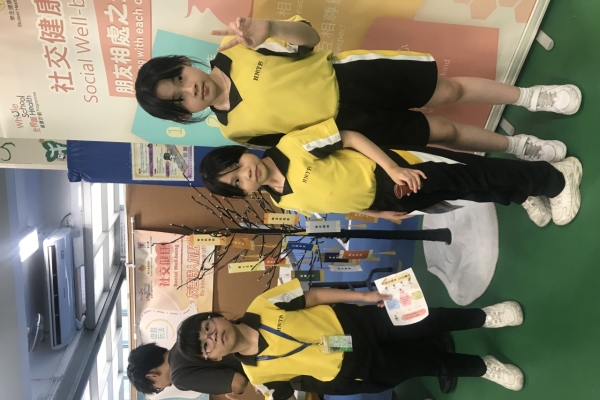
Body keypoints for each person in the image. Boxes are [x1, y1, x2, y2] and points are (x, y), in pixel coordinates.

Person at [135, 15, 581, 161]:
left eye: (180, 79)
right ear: (184, 112)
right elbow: (297, 144)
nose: (190, 90)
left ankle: (531, 97)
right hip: (350, 125)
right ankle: (518, 145)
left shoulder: (238, 48)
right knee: (441, 132)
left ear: (183, 65)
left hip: (353, 76)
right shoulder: (232, 130)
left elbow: (309, 38)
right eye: (179, 98)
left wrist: (270, 28)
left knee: (448, 92)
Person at [177, 278, 526, 400]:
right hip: (353, 367)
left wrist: (364, 297)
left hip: (357, 323)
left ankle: (485, 316)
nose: (213, 336)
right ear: (212, 358)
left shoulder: (261, 304)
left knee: (427, 319)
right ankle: (484, 367)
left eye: (207, 326)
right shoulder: (257, 375)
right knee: (423, 364)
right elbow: (288, 394)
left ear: (216, 316)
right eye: (206, 345)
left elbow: (312, 296)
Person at [199, 119, 582, 227]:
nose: (245, 174)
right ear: (243, 193)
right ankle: (524, 192)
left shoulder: (290, 146)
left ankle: (557, 178)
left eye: (237, 165)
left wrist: (394, 167)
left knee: (471, 174)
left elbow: (349, 136)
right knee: (468, 191)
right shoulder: (280, 200)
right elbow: (334, 207)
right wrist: (379, 214)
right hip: (387, 199)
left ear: (242, 152)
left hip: (394, 170)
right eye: (236, 182)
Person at [126, 342, 248, 397]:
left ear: (152, 375)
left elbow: (238, 383)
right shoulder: (183, 339)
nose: (167, 386)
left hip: (256, 360)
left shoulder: (178, 377)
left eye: (158, 388)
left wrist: (233, 389)